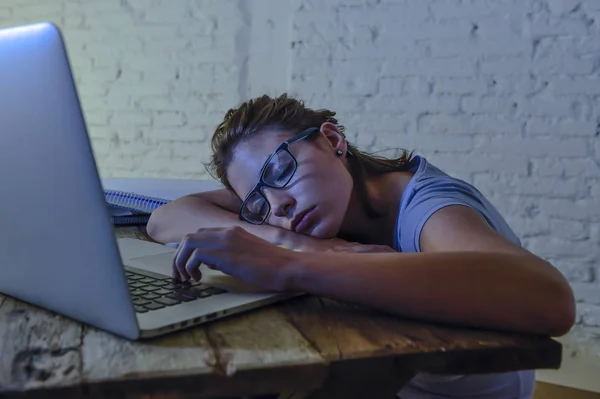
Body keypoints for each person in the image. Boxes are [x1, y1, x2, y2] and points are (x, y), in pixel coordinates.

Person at [146, 93, 575, 399]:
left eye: (280, 170)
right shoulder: (295, 209)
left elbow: (550, 298)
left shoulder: (430, 207)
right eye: (258, 203)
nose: (281, 204)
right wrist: (290, 243)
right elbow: (168, 216)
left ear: (333, 140)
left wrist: (288, 265)